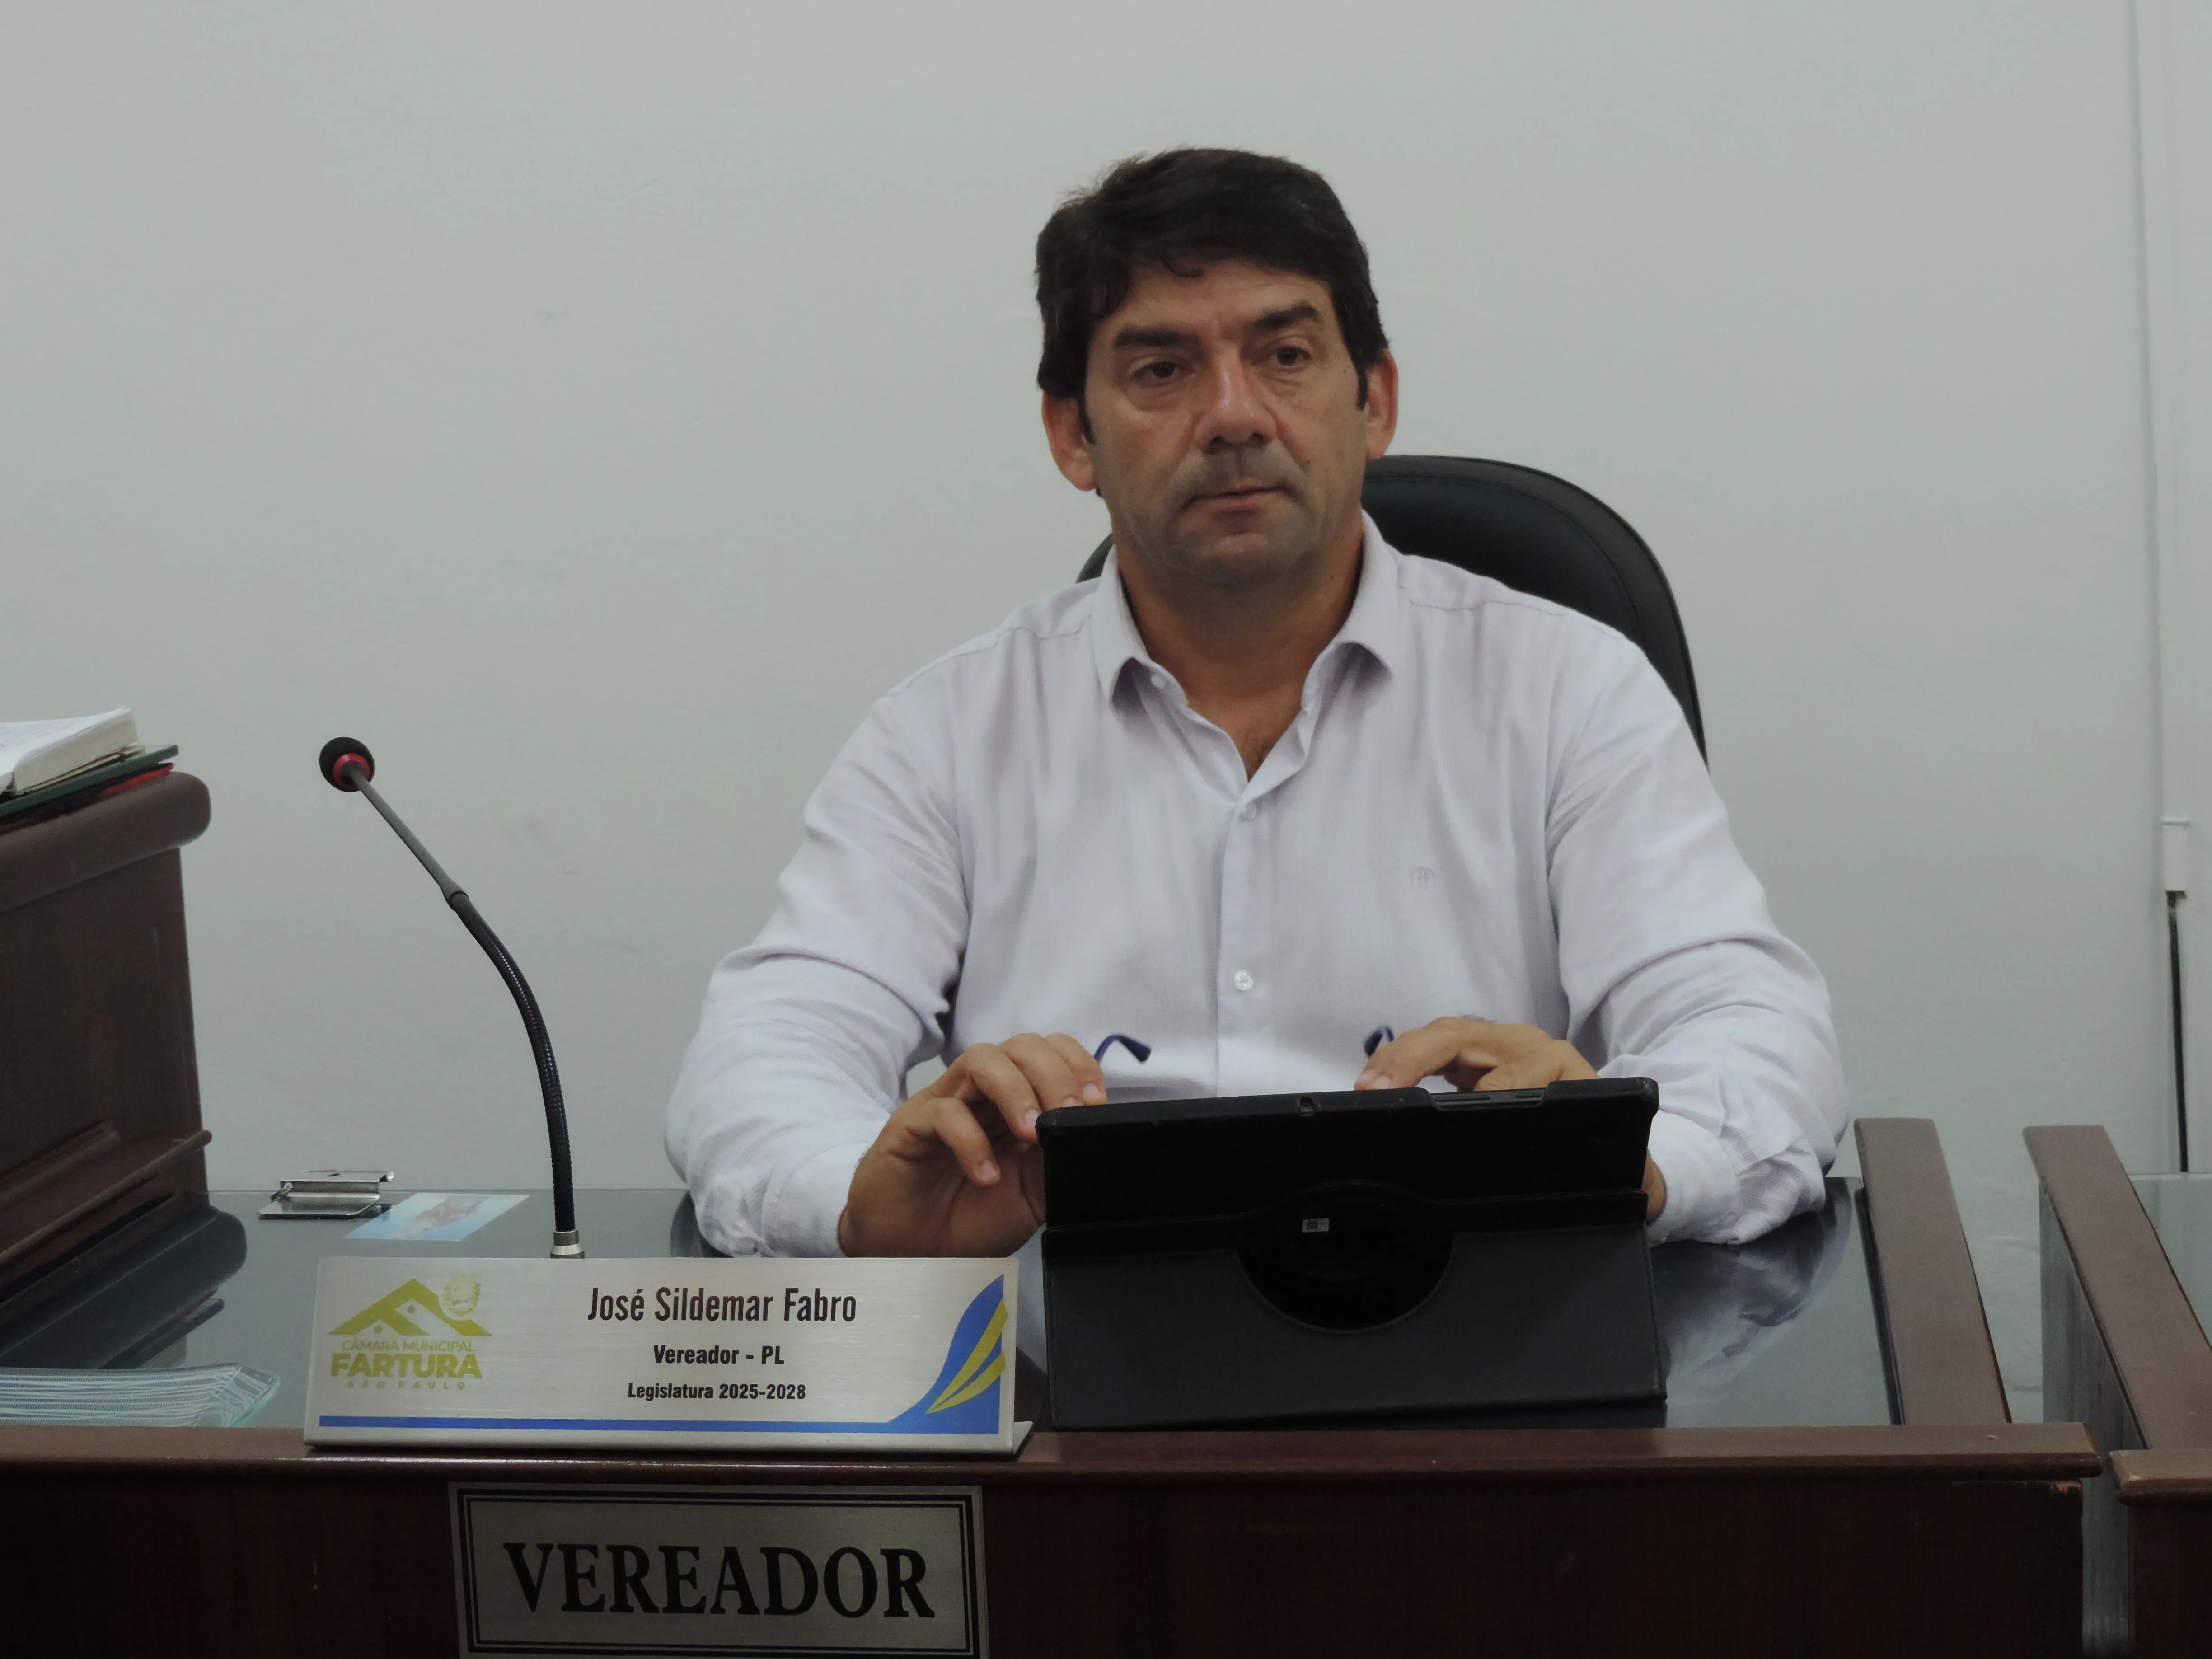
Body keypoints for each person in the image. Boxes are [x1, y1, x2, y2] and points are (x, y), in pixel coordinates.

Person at [667, 148, 1848, 1282]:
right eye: (1161, 369)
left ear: (1374, 400)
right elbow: (763, 1058)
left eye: (1284, 355)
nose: (1234, 416)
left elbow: (1755, 1035)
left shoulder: (1569, 692)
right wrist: (858, 1207)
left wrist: (1619, 1158)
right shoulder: (948, 732)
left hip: (1481, 1356)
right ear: (1073, 433)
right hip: (1071, 1379)